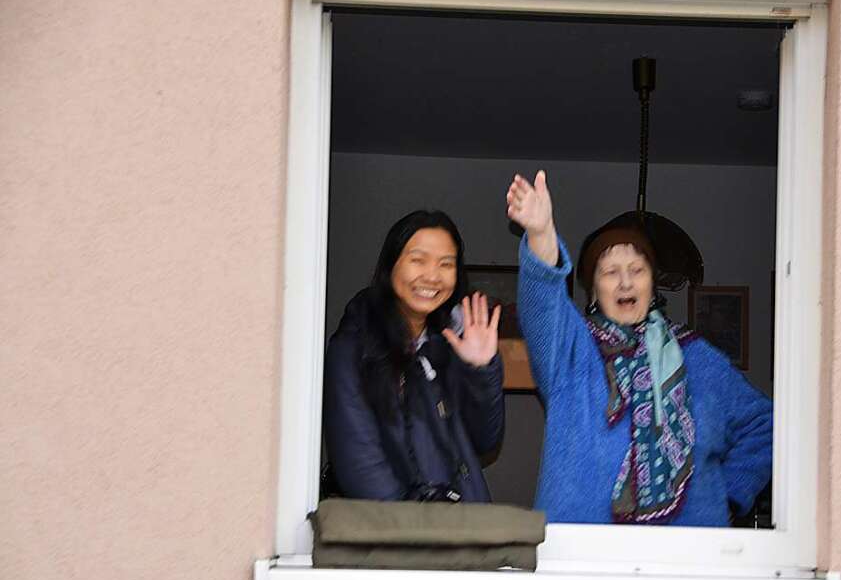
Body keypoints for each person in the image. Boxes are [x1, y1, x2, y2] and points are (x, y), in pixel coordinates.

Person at [506, 171, 771, 526]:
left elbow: (766, 425)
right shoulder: (570, 349)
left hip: (687, 559)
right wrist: (540, 234)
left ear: (652, 282)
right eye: (610, 272)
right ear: (593, 289)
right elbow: (542, 303)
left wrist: (729, 494)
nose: (626, 281)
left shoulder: (699, 358)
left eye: (637, 269)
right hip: (582, 558)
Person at [323, 210, 504, 503]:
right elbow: (360, 464)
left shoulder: (450, 343)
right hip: (400, 538)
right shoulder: (353, 348)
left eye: (446, 264)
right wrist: (416, 531)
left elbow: (484, 442)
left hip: (463, 531)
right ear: (390, 266)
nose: (432, 276)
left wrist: (479, 370)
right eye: (418, 260)